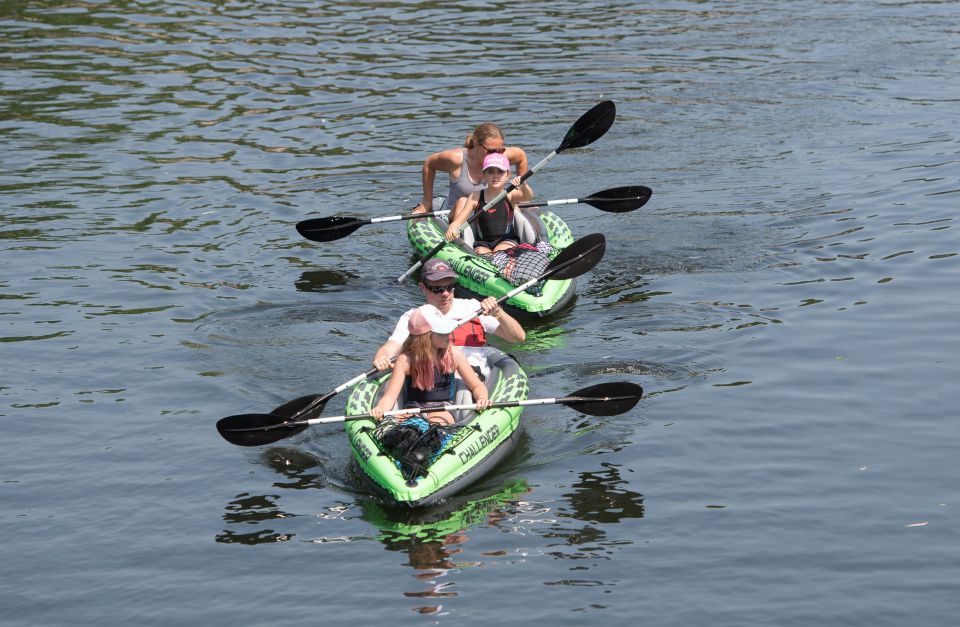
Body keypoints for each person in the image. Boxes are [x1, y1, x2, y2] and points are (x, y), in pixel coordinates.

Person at [372, 258, 525, 377]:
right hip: (432, 380)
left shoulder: (473, 308)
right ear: (423, 288)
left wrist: (498, 313)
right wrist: (382, 357)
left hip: (472, 378)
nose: (445, 293)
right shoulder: (414, 317)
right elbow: (391, 347)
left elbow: (518, 337)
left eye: (449, 287)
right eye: (437, 289)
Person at [369, 304, 492, 426]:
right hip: (413, 409)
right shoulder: (406, 360)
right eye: (443, 331)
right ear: (427, 337)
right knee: (411, 430)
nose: (449, 333)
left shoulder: (454, 354)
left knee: (436, 426)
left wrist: (482, 398)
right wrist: (380, 409)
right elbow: (390, 397)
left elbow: (476, 386)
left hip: (443, 409)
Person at [413, 123, 529, 213]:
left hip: (490, 215)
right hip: (457, 214)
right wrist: (426, 202)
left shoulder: (501, 157)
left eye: (500, 150)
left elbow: (521, 157)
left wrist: (520, 191)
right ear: (476, 144)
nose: (495, 154)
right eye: (490, 151)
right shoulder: (455, 159)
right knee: (463, 202)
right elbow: (429, 164)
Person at [444, 152, 533, 255]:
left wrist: (524, 186)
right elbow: (459, 221)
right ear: (484, 175)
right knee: (482, 252)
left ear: (508, 175)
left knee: (501, 251)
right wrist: (452, 229)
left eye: (500, 172)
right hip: (483, 243)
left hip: (507, 240)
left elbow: (528, 196)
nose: (495, 176)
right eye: (490, 172)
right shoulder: (475, 196)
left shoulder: (510, 194)